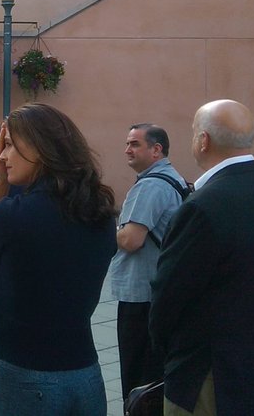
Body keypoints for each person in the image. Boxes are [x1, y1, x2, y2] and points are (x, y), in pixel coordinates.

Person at [150, 100, 254, 416]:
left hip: (210, 376)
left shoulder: (201, 206)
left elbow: (167, 297)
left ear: (203, 140)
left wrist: (172, 355)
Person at [0, 103, 117, 415]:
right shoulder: (98, 212)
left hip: (24, 373)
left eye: (9, 146)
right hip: (84, 370)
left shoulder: (13, 215)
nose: (1, 157)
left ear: (40, 149)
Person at [109, 123, 185, 399]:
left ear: (156, 150)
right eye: (128, 143)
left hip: (140, 295)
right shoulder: (172, 179)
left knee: (138, 375)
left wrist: (106, 229)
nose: (127, 149)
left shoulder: (150, 186)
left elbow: (131, 239)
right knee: (153, 373)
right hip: (156, 290)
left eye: (135, 144)